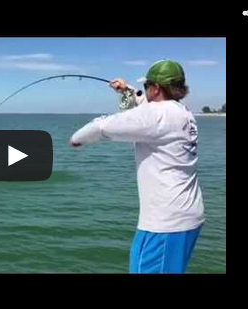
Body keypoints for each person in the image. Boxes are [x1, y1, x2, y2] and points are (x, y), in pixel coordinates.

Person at [70, 59, 205, 273]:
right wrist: (128, 90)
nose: (145, 90)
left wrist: (77, 139)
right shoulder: (183, 112)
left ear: (156, 88)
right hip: (188, 216)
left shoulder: (155, 115)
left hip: (164, 224)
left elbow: (103, 126)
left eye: (146, 86)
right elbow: (148, 109)